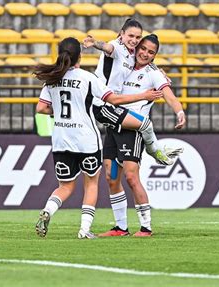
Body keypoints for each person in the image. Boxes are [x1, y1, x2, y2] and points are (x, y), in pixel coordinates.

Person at [33, 37, 164, 239]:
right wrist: (143, 96)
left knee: (65, 186)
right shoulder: (87, 78)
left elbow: (41, 108)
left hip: (61, 140)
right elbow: (114, 99)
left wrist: (58, 111)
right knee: (91, 183)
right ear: (80, 55)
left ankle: (47, 211)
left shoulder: (52, 78)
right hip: (86, 139)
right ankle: (84, 230)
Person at [98, 34, 186, 237]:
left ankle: (146, 227)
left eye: (151, 52)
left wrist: (180, 112)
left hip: (133, 131)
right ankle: (120, 228)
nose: (145, 54)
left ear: (155, 56)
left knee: (131, 176)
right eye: (143, 48)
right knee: (112, 177)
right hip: (113, 127)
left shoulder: (154, 73)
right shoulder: (124, 63)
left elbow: (169, 95)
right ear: (137, 47)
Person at [83, 18, 182, 166]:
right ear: (122, 34)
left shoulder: (136, 55)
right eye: (131, 36)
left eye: (137, 37)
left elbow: (168, 93)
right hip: (104, 104)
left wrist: (180, 112)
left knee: (115, 176)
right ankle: (154, 149)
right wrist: (96, 43)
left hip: (118, 113)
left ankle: (151, 151)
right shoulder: (118, 47)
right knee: (146, 125)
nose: (134, 41)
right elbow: (109, 47)